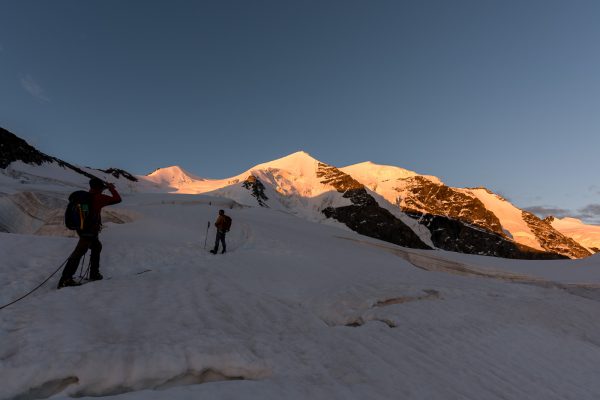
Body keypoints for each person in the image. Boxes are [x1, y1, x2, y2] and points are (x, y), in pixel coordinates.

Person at [58, 178, 122, 288]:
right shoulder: (98, 198)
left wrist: (104, 187)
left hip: (82, 229)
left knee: (96, 246)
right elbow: (117, 199)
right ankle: (65, 279)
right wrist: (111, 188)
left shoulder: (86, 197)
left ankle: (94, 273)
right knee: (78, 253)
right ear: (100, 188)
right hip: (89, 231)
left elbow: (97, 190)